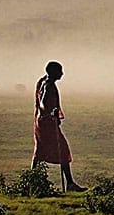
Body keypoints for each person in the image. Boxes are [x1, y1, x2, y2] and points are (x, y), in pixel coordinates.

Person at [32, 60, 84, 193]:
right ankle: (70, 184)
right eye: (60, 71)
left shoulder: (43, 81)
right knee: (62, 149)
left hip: (43, 121)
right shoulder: (48, 85)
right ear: (54, 72)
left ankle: (32, 181)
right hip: (47, 122)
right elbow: (43, 102)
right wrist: (51, 112)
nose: (62, 73)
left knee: (41, 150)